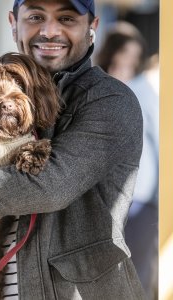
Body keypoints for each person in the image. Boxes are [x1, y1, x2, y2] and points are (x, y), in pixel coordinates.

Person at [0, 0, 147, 299]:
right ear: (13, 23)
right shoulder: (2, 97)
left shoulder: (109, 100)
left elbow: (51, 186)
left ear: (92, 28)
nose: (50, 31)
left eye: (66, 18)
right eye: (36, 16)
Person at [96, 23, 159, 300]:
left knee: (137, 269)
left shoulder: (144, 89)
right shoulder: (95, 84)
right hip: (101, 192)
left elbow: (158, 133)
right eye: (124, 54)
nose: (129, 62)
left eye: (134, 57)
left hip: (140, 193)